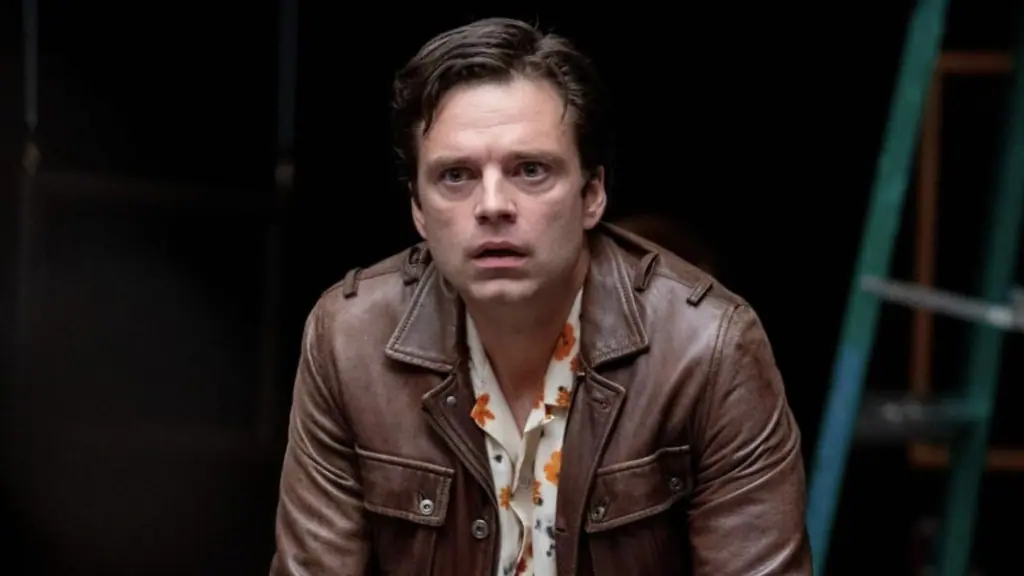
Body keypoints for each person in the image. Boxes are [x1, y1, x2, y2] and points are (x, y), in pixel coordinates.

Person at [269, 17, 811, 575]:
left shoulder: (707, 349)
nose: (492, 205)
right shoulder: (351, 340)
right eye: (456, 176)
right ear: (418, 210)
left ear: (592, 193)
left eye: (530, 170)